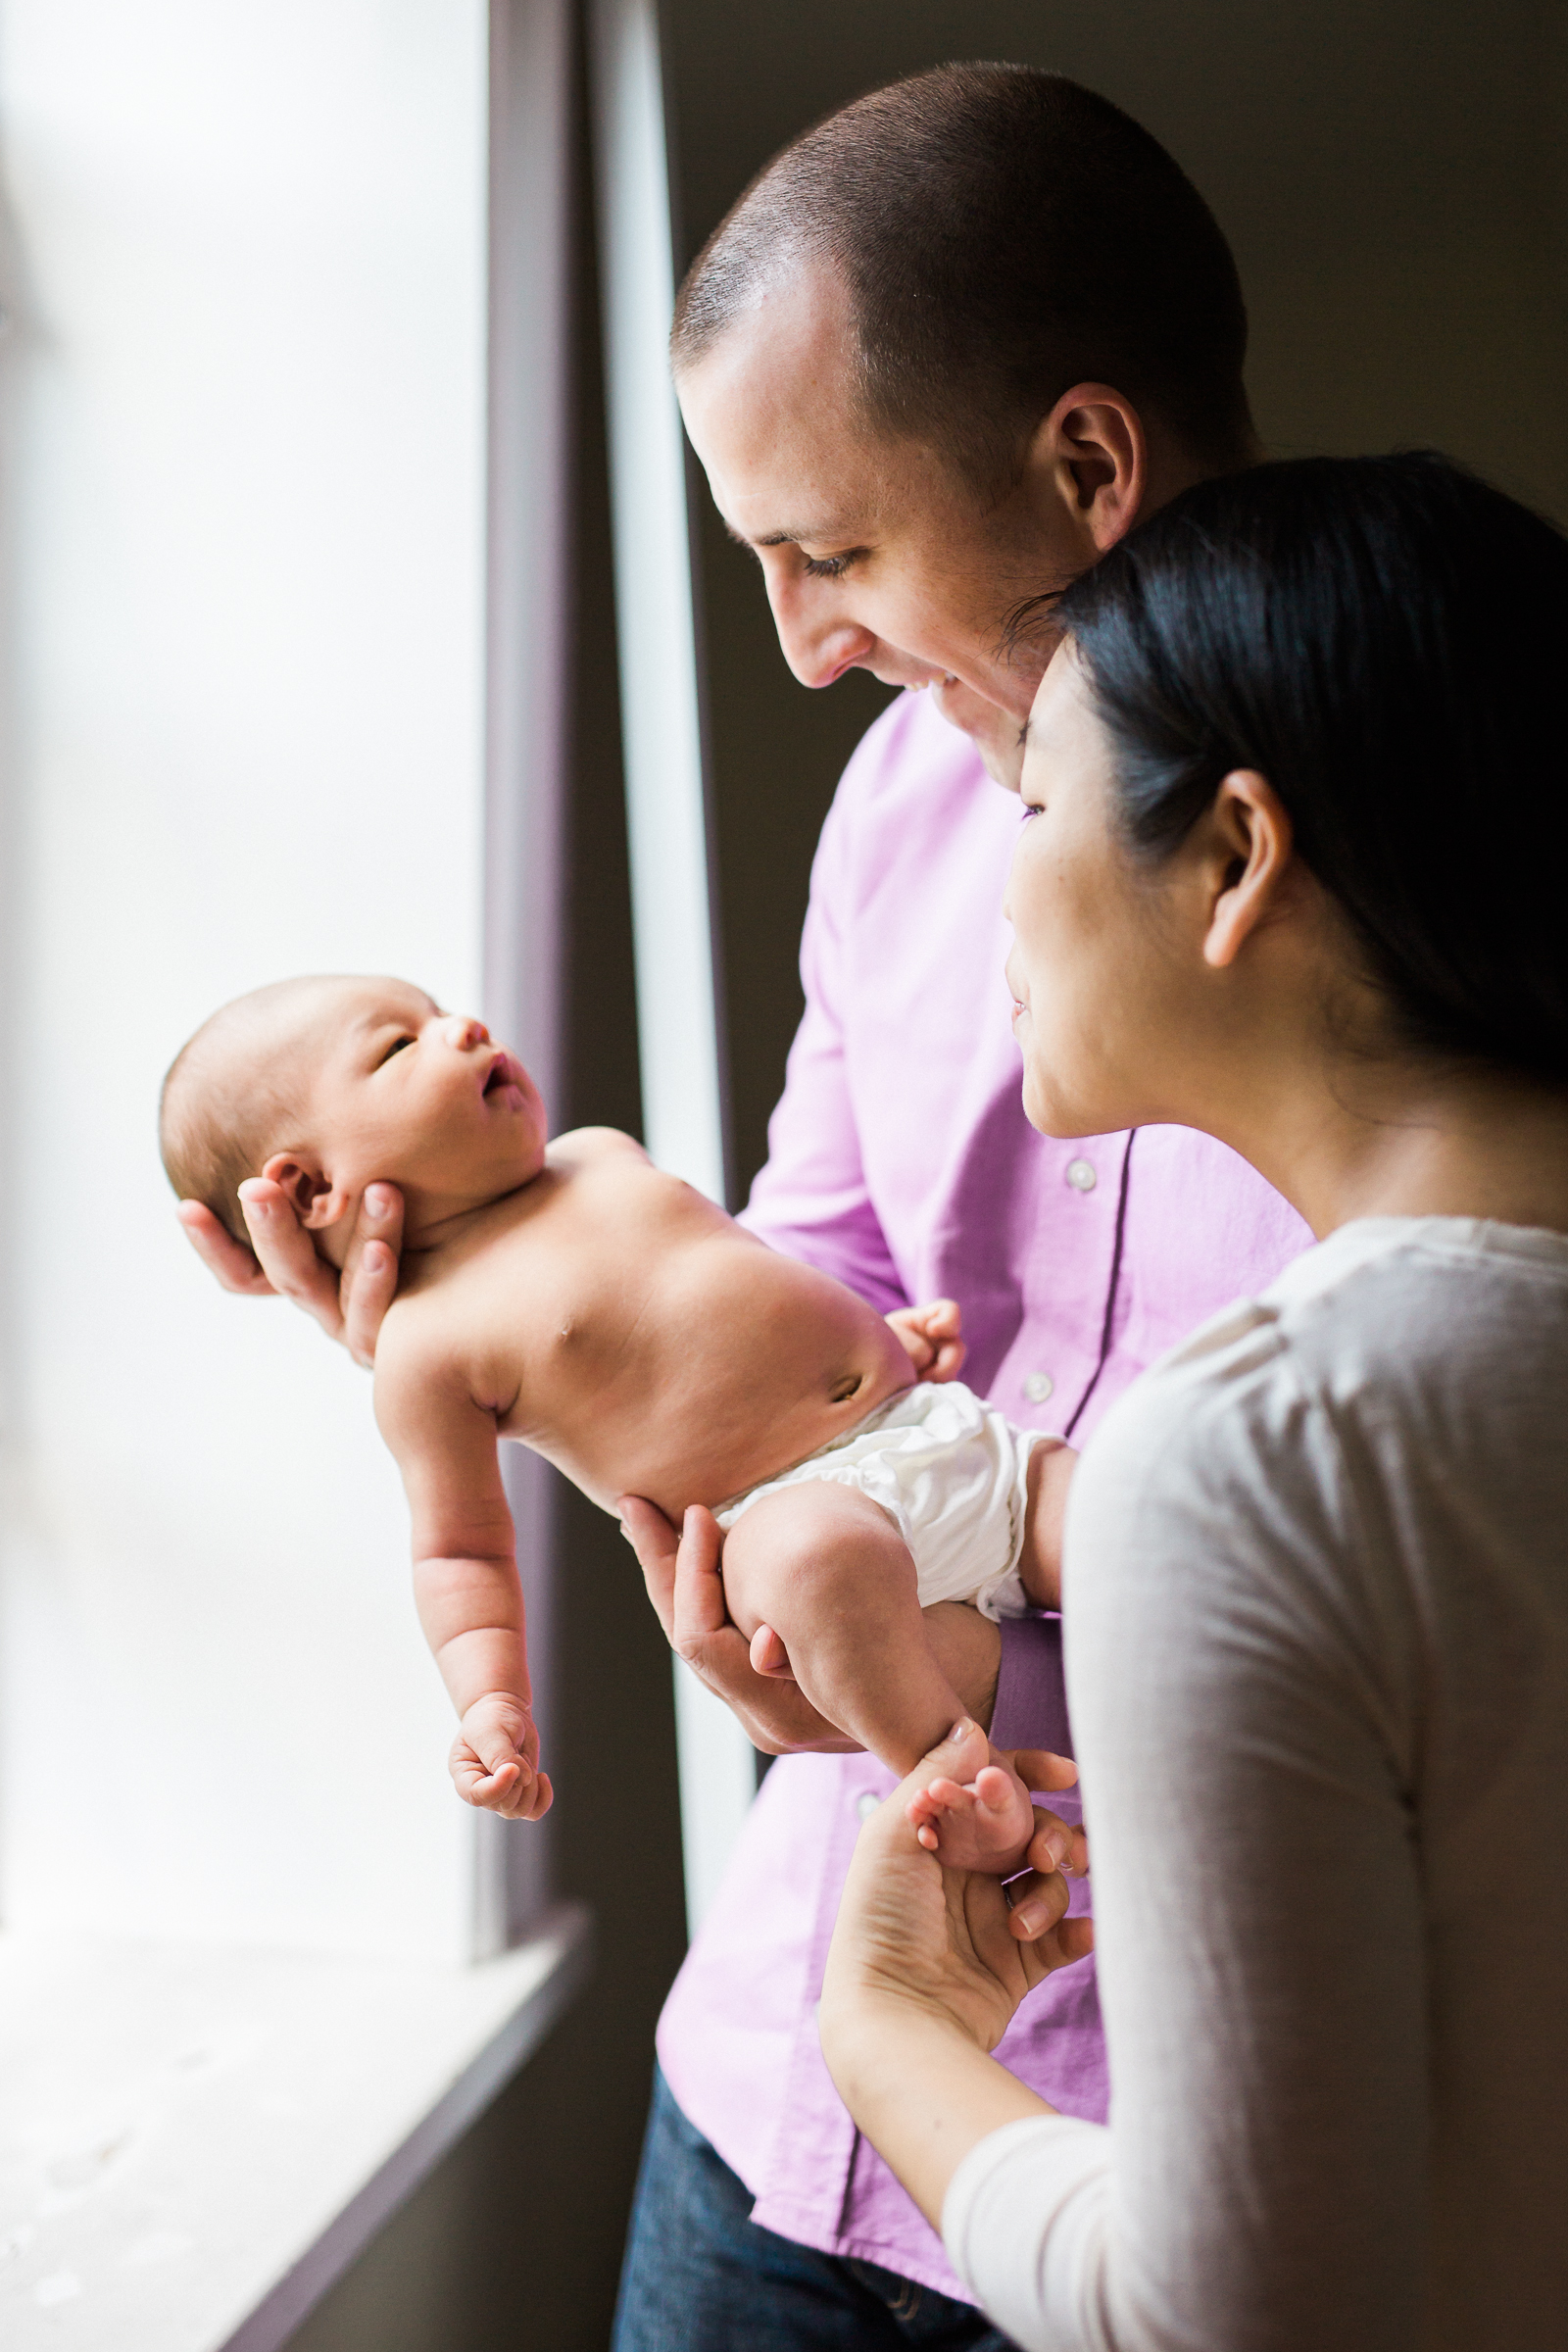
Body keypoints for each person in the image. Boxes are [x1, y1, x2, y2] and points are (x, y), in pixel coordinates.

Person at [179, 63, 1311, 2345]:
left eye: (834, 552)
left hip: (1213, 2149)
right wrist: (519, 1345)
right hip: (786, 2101)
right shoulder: (895, 805)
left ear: (1083, 471)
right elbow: (828, 1301)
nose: (800, 645)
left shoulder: (1450, 870)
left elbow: (1401, 1555)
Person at [820, 452, 1568, 2352]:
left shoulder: (1256, 1463)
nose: (995, 873)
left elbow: (1235, 2316)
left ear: (1232, 857)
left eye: (1039, 798)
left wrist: (894, 2042)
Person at [161, 971, 1080, 1848]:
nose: (465, 1027)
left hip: (945, 1436)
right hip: (790, 1520)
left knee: (1130, 1514)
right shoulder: (425, 1346)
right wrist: (490, 1703)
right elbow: (460, 1550)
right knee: (821, 1567)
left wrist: (875, 1336)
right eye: (401, 1045)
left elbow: (720, 1300)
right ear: (313, 1191)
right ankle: (953, 1773)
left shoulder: (597, 1154)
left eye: (442, 1010)